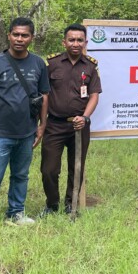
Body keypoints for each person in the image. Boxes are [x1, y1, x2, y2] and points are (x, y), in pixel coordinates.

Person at [0, 17, 49, 228]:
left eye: (24, 35)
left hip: (26, 132)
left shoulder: (38, 64)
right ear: (8, 35)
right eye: (16, 34)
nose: (19, 39)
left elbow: (44, 95)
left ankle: (16, 212)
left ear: (31, 38)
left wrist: (42, 125)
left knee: (21, 175)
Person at [41, 24, 102, 216]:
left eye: (79, 40)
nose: (75, 44)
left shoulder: (91, 66)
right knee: (49, 170)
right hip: (55, 125)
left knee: (76, 168)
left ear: (85, 42)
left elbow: (94, 95)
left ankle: (71, 204)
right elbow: (44, 94)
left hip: (79, 126)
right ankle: (52, 205)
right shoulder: (52, 64)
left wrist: (84, 117)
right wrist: (41, 122)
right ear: (64, 42)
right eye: (71, 40)